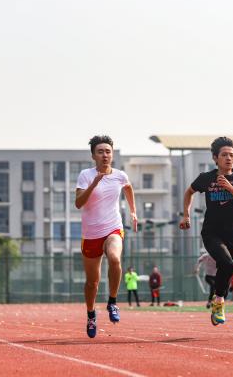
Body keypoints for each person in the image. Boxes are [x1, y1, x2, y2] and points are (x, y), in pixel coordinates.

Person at [180, 136, 233, 326]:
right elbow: (189, 192)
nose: (229, 158)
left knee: (228, 269)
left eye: (232, 155)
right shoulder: (206, 178)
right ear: (215, 157)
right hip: (212, 233)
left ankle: (217, 299)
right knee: (225, 261)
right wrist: (186, 215)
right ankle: (219, 302)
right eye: (224, 155)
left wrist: (230, 187)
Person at [75, 135, 138, 339]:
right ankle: (91, 314)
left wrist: (133, 212)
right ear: (93, 155)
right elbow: (78, 203)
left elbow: (128, 188)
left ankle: (112, 302)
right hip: (91, 234)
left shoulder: (120, 175)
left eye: (108, 151)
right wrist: (94, 184)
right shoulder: (85, 175)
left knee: (115, 258)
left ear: (112, 155)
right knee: (92, 283)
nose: (104, 155)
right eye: (100, 152)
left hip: (113, 228)